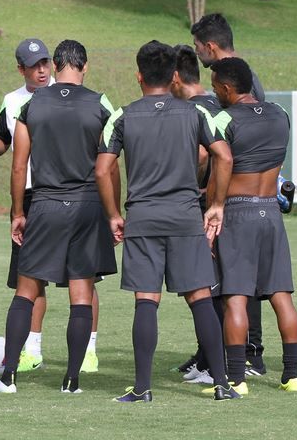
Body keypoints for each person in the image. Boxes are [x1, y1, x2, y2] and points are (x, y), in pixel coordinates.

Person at [95, 41, 238, 402]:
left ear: (139, 76)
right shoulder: (195, 114)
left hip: (143, 218)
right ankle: (221, 384)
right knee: (201, 298)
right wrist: (216, 204)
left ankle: (142, 389)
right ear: (175, 76)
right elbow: (224, 157)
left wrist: (114, 215)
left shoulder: (123, 115)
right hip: (186, 217)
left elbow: (101, 170)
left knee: (147, 300)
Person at [0, 40, 117, 394]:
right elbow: (110, 164)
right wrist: (114, 211)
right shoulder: (100, 103)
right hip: (88, 205)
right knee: (80, 294)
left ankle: (8, 377)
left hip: (43, 203)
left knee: (26, 291)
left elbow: (18, 165)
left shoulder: (33, 103)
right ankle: (71, 381)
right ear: (84, 66)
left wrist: (17, 212)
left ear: (56, 66)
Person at [210, 57, 297, 395]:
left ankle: (236, 379)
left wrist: (212, 205)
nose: (214, 91)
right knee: (282, 295)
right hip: (271, 212)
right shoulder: (280, 114)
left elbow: (216, 163)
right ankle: (291, 376)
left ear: (228, 88)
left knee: (235, 297)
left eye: (216, 86)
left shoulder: (223, 117)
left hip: (237, 212)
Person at [190, 13, 267, 376]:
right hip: (230, 196)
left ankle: (249, 353)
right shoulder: (243, 78)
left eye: (197, 47)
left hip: (235, 200)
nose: (197, 54)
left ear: (209, 47)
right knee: (220, 278)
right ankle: (212, 352)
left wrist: (214, 190)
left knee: (239, 280)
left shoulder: (234, 86)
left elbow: (228, 147)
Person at [167, 44, 224, 385]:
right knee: (216, 285)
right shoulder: (218, 101)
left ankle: (213, 364)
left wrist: (193, 187)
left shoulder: (194, 109)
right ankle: (208, 356)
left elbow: (204, 156)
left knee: (207, 287)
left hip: (205, 205)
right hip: (228, 201)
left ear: (175, 77)